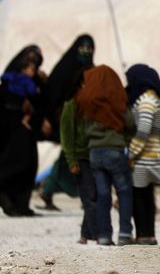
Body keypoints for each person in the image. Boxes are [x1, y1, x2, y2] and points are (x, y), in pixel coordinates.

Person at [76, 64, 135, 246]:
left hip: (94, 153)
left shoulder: (87, 104)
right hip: (115, 151)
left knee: (102, 195)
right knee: (124, 192)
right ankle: (124, 233)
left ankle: (103, 236)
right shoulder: (117, 101)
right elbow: (131, 125)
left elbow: (84, 130)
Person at [38, 34, 95, 211]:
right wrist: (46, 118)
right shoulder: (64, 68)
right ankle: (85, 196)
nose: (85, 52)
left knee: (72, 156)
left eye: (89, 49)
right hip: (63, 119)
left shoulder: (91, 70)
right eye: (82, 48)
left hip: (84, 122)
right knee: (70, 155)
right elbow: (51, 94)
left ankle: (51, 190)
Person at [125, 63, 160, 245]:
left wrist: (131, 153)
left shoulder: (145, 101)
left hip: (143, 157)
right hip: (154, 156)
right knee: (147, 196)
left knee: (139, 198)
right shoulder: (156, 99)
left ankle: (143, 235)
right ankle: (149, 234)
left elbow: (143, 131)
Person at [0, 45, 47, 216]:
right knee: (16, 163)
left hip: (25, 129)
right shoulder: (9, 80)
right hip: (11, 129)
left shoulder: (34, 82)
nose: (33, 67)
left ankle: (20, 205)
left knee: (29, 165)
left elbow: (40, 102)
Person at [60, 67, 98, 244]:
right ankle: (97, 234)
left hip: (95, 156)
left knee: (94, 196)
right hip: (81, 158)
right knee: (89, 197)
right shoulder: (71, 107)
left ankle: (85, 234)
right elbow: (66, 136)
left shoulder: (93, 106)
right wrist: (71, 160)